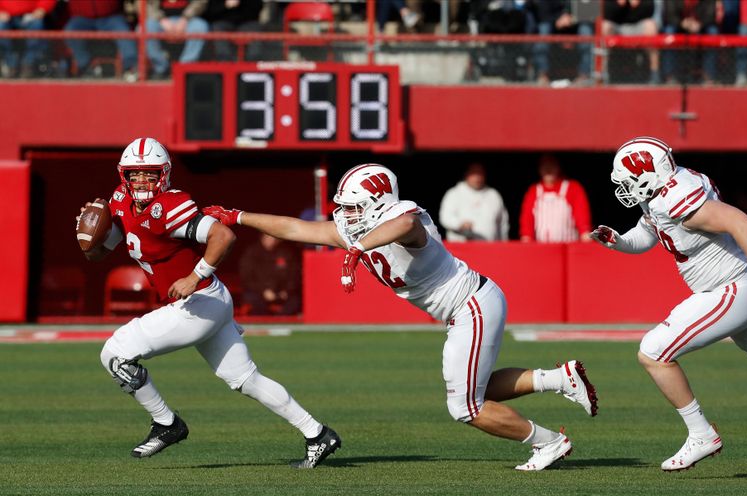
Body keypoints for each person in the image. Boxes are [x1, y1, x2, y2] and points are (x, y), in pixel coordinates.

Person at [204, 163, 599, 472]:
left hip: (471, 305)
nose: (346, 214)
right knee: (473, 394)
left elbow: (405, 226)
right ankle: (558, 378)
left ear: (378, 202)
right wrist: (239, 216)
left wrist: (360, 247)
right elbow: (295, 227)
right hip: (467, 307)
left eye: (354, 206)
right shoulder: (355, 227)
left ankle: (548, 442)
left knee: (465, 407)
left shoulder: (408, 216)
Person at [76, 137, 340, 468]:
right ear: (123, 176)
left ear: (165, 175)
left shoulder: (170, 206)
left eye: (149, 174)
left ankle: (167, 424)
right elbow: (99, 253)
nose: (142, 181)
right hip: (208, 302)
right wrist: (88, 238)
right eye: (135, 174)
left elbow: (223, 236)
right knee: (245, 379)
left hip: (199, 301)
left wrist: (194, 275)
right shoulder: (119, 201)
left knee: (115, 354)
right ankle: (317, 434)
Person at [590, 136, 747, 471]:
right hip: (731, 287)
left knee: (653, 352)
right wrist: (620, 241)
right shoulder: (662, 193)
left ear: (649, 176)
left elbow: (743, 223)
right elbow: (649, 231)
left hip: (728, 288)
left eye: (629, 180)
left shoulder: (679, 199)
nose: (625, 188)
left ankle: (702, 434)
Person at [519, 154, 592, 243]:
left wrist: (585, 239)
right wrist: (526, 240)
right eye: (544, 164)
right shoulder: (534, 191)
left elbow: (583, 222)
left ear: (558, 166)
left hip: (567, 249)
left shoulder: (572, 188)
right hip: (540, 249)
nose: (548, 168)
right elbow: (527, 222)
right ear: (539, 168)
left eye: (551, 164)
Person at [63, 0, 138, 81]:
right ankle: (86, 67)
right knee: (70, 30)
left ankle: (130, 68)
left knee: (123, 30)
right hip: (82, 18)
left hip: (110, 16)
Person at [438, 162, 509, 242]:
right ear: (467, 174)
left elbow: (503, 223)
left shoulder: (493, 195)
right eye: (474, 173)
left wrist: (504, 244)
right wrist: (459, 224)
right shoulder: (454, 193)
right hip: (462, 249)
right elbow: (445, 217)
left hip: (490, 248)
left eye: (480, 173)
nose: (477, 177)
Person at [531, 0, 594, 85]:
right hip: (553, 24)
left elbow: (590, 11)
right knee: (543, 29)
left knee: (586, 31)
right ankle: (543, 75)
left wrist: (572, 19)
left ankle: (584, 76)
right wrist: (557, 19)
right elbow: (542, 13)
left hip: (577, 23)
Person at [239, 233, 302, 315]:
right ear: (262, 238)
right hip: (258, 292)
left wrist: (286, 291)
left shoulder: (286, 253)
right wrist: (263, 291)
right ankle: (263, 322)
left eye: (273, 238)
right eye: (267, 238)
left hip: (282, 293)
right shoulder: (252, 253)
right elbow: (246, 277)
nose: (270, 240)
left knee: (295, 301)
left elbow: (294, 275)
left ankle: (281, 322)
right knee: (252, 300)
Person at [144, 0, 210, 79]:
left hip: (189, 19)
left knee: (200, 27)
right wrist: (161, 19)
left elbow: (200, 2)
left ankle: (184, 69)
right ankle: (161, 69)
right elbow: (146, 5)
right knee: (145, 27)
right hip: (158, 20)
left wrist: (185, 18)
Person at [661, 0, 720, 85]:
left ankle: (709, 77)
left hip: (700, 25)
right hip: (679, 25)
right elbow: (669, 14)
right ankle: (669, 76)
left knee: (713, 32)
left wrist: (700, 24)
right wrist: (682, 23)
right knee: (669, 31)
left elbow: (711, 14)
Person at [602, 0, 661, 84]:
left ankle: (654, 73)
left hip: (638, 26)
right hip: (617, 27)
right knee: (605, 26)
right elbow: (606, 14)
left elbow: (650, 11)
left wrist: (637, 4)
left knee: (650, 26)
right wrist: (619, 4)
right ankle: (603, 74)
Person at [0, 0, 55, 78]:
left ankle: (28, 64)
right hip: (6, 16)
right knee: (0, 26)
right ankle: (10, 65)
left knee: (37, 24)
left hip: (32, 15)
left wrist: (42, 8)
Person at [204, 0, 268, 62]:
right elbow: (209, 11)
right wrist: (225, 5)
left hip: (246, 22)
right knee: (217, 28)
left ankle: (253, 65)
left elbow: (258, 8)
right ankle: (225, 63)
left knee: (255, 29)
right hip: (223, 22)